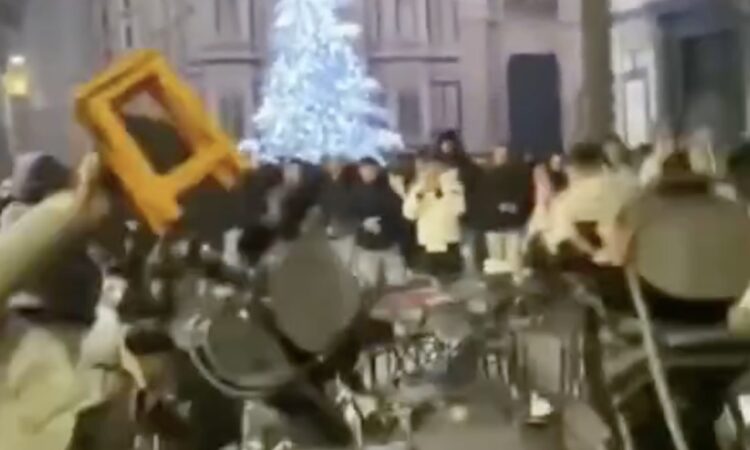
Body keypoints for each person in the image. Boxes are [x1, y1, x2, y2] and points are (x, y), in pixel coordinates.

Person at [471, 145, 533, 276]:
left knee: (513, 259)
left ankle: (513, 282)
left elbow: (523, 195)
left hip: (512, 224)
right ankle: (499, 283)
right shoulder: (487, 176)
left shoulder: (517, 176)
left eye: (504, 155)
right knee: (497, 261)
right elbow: (483, 199)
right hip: (494, 225)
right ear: (494, 157)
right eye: (499, 155)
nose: (502, 158)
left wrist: (514, 206)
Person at [403, 157, 466, 279]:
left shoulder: (454, 189)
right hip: (427, 243)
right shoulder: (417, 190)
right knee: (429, 280)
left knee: (451, 278)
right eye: (428, 173)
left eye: (436, 173)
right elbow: (409, 214)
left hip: (449, 242)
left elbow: (459, 210)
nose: (432, 176)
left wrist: (444, 190)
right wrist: (419, 195)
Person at [349, 157, 407, 288]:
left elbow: (398, 213)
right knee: (368, 283)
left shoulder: (389, 188)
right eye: (363, 169)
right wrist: (364, 222)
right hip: (366, 245)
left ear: (377, 170)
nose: (367, 173)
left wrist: (383, 225)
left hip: (389, 243)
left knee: (396, 283)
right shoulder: (355, 190)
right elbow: (350, 212)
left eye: (370, 169)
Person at [318, 156, 356, 265]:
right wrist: (327, 223)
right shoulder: (324, 182)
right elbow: (324, 204)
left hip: (347, 227)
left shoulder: (350, 181)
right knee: (339, 260)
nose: (331, 166)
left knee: (347, 261)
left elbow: (352, 203)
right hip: (332, 227)